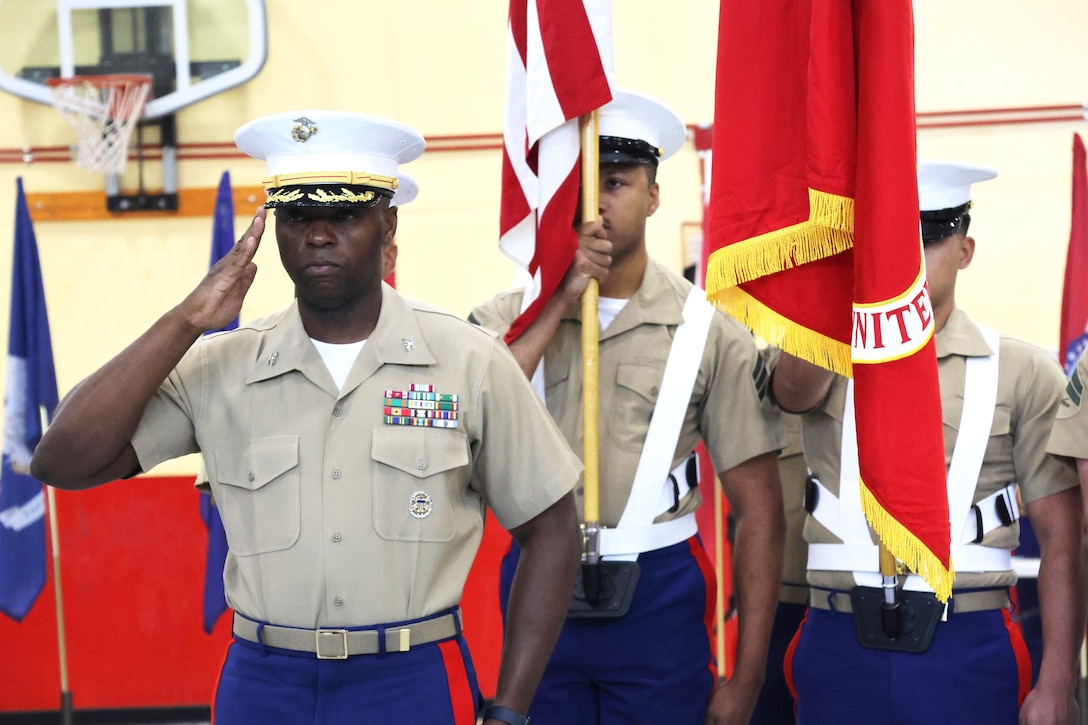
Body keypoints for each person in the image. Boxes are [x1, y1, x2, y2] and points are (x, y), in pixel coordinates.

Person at [30, 110, 584, 725]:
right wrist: (184, 321)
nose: (319, 235)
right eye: (296, 216)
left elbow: (553, 527)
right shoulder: (222, 366)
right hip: (265, 684)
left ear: (387, 224)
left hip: (411, 679)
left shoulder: (468, 360)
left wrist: (510, 711)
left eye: (345, 214)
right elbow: (62, 461)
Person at [469, 89, 787, 725]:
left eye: (615, 181)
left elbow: (760, 513)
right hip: (537, 583)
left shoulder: (707, 329)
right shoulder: (502, 320)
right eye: (579, 187)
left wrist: (746, 678)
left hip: (659, 592)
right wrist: (558, 300)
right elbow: (471, 423)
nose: (595, 205)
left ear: (654, 194)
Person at [771, 159, 1086, 724]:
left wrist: (1059, 680)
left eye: (929, 238)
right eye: (890, 239)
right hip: (840, 637)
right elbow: (789, 394)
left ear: (964, 249)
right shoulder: (819, 352)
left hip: (964, 640)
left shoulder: (1021, 371)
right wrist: (832, 286)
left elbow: (1063, 541)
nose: (907, 257)